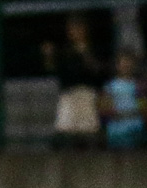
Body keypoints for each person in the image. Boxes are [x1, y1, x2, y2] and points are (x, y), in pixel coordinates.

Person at [41, 13, 102, 146]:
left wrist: (85, 53)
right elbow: (52, 69)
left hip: (87, 92)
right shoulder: (65, 50)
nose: (75, 32)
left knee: (89, 131)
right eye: (72, 29)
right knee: (65, 131)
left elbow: (98, 70)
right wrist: (48, 56)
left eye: (78, 28)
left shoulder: (93, 48)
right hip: (68, 93)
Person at [101, 50, 147, 149]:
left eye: (129, 62)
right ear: (117, 65)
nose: (126, 65)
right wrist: (115, 114)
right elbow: (106, 107)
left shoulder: (139, 85)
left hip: (134, 126)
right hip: (116, 128)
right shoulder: (110, 86)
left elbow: (143, 106)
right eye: (123, 62)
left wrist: (134, 113)